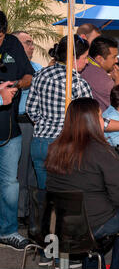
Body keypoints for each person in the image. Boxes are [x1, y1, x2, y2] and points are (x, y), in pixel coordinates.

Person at [45, 97, 119, 269]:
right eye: (99, 116)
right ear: (90, 121)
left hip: (59, 223)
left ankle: (90, 262)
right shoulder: (103, 151)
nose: (103, 121)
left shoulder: (54, 148)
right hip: (92, 225)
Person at [26, 35, 92, 191]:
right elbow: (89, 119)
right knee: (65, 197)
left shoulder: (40, 75)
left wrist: (46, 122)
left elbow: (31, 109)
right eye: (85, 57)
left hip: (40, 142)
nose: (87, 61)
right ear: (73, 58)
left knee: (45, 195)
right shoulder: (78, 82)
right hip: (65, 144)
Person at [0, 11, 34, 250]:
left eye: (1, 35)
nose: (0, 40)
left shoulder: (12, 43)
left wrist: (18, 84)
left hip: (10, 131)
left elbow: (29, 75)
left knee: (10, 184)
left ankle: (8, 230)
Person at [13, 31, 42, 225]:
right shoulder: (9, 66)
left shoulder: (38, 68)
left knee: (33, 170)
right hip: (17, 122)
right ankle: (19, 213)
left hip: (35, 125)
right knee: (19, 172)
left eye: (32, 42)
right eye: (27, 43)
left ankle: (31, 213)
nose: (32, 46)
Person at [81, 36, 119, 112]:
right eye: (114, 57)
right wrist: (118, 79)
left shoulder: (87, 62)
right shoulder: (102, 78)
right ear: (100, 59)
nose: (116, 60)